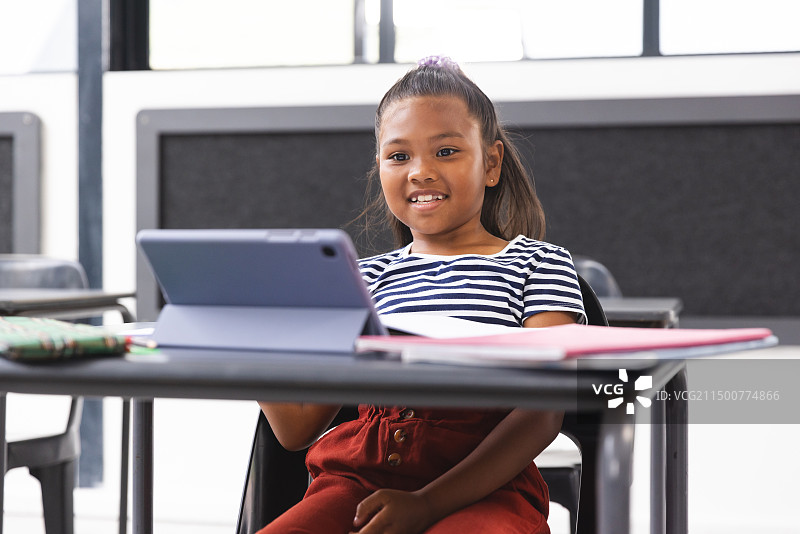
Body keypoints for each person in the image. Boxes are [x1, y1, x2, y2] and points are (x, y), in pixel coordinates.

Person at [257, 56, 586, 534]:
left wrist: (427, 504)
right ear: (380, 167)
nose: (420, 172)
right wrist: (251, 333)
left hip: (488, 488)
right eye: (398, 156)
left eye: (446, 151)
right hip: (356, 481)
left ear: (491, 163)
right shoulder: (361, 279)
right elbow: (296, 429)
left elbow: (543, 410)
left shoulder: (539, 263)